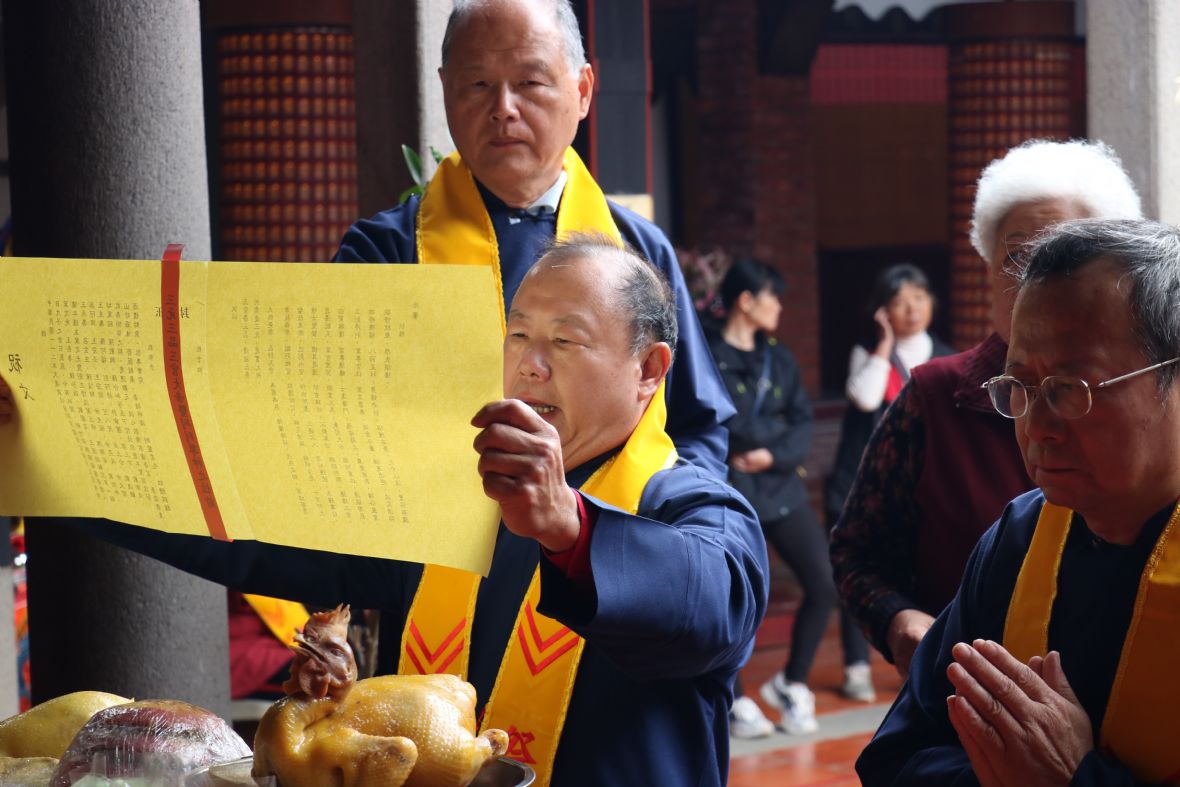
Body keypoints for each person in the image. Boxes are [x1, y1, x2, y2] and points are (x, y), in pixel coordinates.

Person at [66, 236, 769, 787]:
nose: (529, 363)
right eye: (519, 334)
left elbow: (713, 605)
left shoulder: (690, 503)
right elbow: (256, 527)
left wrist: (568, 525)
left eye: (566, 339)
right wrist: (64, 465)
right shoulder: (450, 497)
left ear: (650, 370)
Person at [333, 0, 733, 479]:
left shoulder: (636, 252)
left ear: (582, 91)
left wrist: (653, 532)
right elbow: (341, 427)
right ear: (445, 91)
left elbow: (695, 428)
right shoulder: (385, 251)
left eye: (529, 82)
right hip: (436, 546)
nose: (503, 108)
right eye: (478, 84)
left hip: (606, 539)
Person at [857, 217, 1180, 786]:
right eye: (1020, 388)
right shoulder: (1021, 535)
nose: (1037, 426)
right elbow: (897, 756)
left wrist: (1072, 779)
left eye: (1069, 389)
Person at [830, 139, 1143, 677]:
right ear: (987, 269)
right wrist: (898, 619)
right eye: (1017, 255)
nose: (1034, 279)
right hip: (966, 701)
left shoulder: (1144, 393)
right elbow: (858, 551)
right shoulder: (933, 396)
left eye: (1063, 253)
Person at [706, 258, 871, 739]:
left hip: (779, 485)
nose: (779, 305)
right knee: (729, 597)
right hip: (729, 490)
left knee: (825, 584)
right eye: (772, 296)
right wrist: (760, 439)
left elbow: (800, 421)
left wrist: (768, 452)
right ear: (746, 301)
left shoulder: (778, 357)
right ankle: (733, 697)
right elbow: (719, 418)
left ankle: (791, 683)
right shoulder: (708, 353)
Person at [826, 263, 953, 533]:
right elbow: (867, 400)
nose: (912, 309)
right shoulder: (867, 353)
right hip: (870, 480)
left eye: (919, 297)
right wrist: (884, 345)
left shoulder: (947, 358)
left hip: (922, 480)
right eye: (900, 302)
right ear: (882, 311)